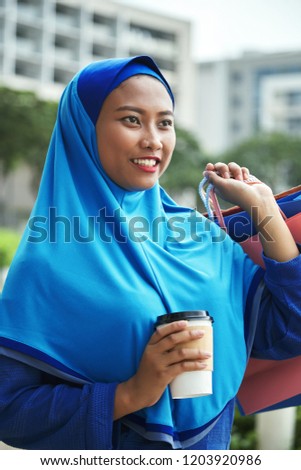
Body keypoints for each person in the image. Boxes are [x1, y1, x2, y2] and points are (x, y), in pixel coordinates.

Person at [0, 55, 300, 450]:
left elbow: (288, 329)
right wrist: (130, 394)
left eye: (165, 122)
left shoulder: (200, 237)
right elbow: (11, 411)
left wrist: (264, 210)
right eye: (130, 119)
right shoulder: (48, 259)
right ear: (84, 130)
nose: (153, 140)